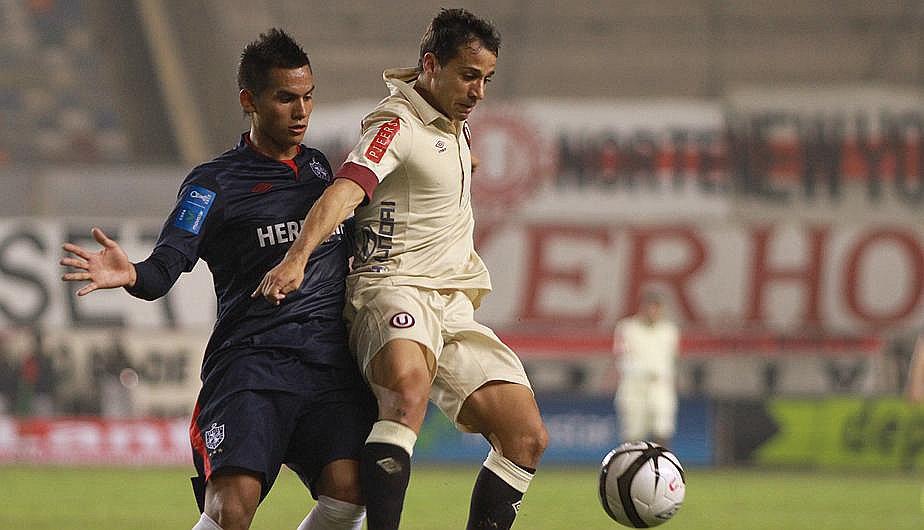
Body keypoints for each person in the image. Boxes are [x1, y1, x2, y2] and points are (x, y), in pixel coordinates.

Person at [60, 29, 375, 530]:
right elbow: (166, 265)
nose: (301, 111)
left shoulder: (321, 171)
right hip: (252, 365)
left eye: (308, 96)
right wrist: (132, 273)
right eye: (285, 98)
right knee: (233, 508)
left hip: (327, 367)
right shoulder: (213, 184)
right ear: (249, 100)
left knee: (353, 493)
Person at [253, 9, 548, 530]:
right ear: (431, 65)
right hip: (391, 289)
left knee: (525, 436)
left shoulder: (453, 126)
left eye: (486, 79)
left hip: (452, 304)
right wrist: (296, 258)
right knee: (407, 393)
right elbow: (345, 189)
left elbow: (432, 168)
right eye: (468, 75)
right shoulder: (395, 124)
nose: (479, 91)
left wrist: (463, 161)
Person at [612, 291, 680, 448]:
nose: (653, 311)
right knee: (632, 434)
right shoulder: (627, 328)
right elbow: (622, 359)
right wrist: (641, 372)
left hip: (660, 385)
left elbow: (672, 359)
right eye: (650, 307)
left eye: (657, 307)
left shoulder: (669, 331)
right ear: (642, 308)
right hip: (634, 386)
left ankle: (661, 469)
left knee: (662, 429)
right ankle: (631, 469)